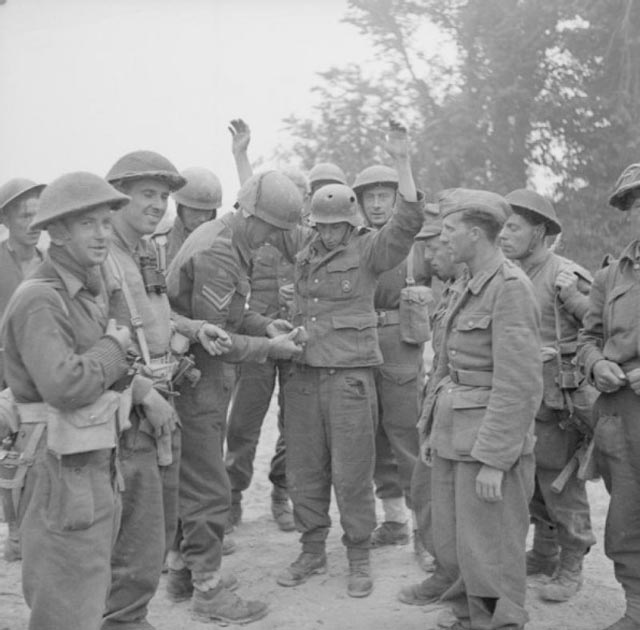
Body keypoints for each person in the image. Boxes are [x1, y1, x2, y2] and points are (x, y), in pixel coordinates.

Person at [276, 121, 425, 598]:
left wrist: (402, 161)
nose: (327, 234)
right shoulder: (302, 251)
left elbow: (406, 224)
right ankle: (312, 548)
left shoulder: (368, 250)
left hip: (349, 381)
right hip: (301, 377)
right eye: (320, 226)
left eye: (335, 225)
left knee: (353, 471)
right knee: (304, 468)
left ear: (351, 221)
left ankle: (358, 555)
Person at [165, 169, 305, 625]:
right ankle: (208, 591)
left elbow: (231, 312)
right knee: (208, 485)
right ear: (255, 217)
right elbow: (216, 336)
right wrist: (271, 348)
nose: (273, 240)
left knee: (192, 477)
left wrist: (264, 324)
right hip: (196, 380)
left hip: (196, 376)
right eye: (274, 230)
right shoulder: (221, 250)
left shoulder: (226, 235)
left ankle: (182, 573)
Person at [103, 150, 229, 630]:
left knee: (158, 526)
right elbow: (92, 341)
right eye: (147, 195)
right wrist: (142, 393)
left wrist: (195, 329)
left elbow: (157, 319)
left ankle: (130, 616)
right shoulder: (104, 258)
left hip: (160, 402)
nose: (158, 205)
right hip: (129, 410)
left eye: (163, 196)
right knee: (132, 533)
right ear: (118, 197)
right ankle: (120, 620)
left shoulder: (142, 250)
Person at [2, 171, 132, 630]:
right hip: (58, 471)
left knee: (86, 595)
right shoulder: (40, 298)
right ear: (56, 232)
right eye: (88, 224)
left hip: (88, 461)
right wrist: (114, 348)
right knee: (64, 605)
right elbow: (63, 385)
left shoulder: (85, 291)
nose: (102, 234)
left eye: (105, 222)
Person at [422, 188, 542, 630]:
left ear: (475, 233)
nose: (443, 238)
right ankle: (469, 612)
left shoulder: (510, 288)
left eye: (450, 230)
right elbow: (445, 365)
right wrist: (431, 432)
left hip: (489, 443)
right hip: (455, 434)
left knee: (492, 545)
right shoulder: (467, 284)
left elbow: (520, 383)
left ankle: (499, 622)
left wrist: (495, 460)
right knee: (459, 541)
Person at [500, 188, 596, 602]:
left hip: (558, 399)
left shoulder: (566, 274)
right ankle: (543, 554)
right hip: (522, 397)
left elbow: (602, 325)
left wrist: (573, 299)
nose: (503, 234)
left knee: (561, 484)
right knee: (533, 482)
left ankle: (571, 564)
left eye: (513, 227)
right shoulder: (510, 272)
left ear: (539, 231)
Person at [223, 119, 304, 533]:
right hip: (257, 338)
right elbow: (251, 200)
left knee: (293, 424)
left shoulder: (297, 238)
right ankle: (233, 495)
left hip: (290, 340)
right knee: (243, 423)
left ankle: (281, 492)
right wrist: (241, 157)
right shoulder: (250, 234)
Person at [352, 163, 432, 550]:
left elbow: (450, 283)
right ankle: (395, 521)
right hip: (364, 344)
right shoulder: (356, 242)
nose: (378, 204)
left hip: (401, 343)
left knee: (405, 437)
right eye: (371, 197)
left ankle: (424, 531)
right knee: (376, 436)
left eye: (385, 196)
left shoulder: (416, 245)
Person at [578, 163, 640, 630]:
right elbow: (587, 337)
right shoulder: (609, 277)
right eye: (635, 205)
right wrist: (597, 364)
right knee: (627, 517)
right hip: (621, 416)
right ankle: (637, 610)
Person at [398, 219, 464, 607]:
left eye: (436, 246)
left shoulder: (493, 287)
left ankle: (470, 589)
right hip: (442, 403)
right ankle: (445, 571)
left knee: (468, 503)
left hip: (472, 411)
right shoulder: (452, 289)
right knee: (428, 488)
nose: (427, 256)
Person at [0, 177, 45, 562]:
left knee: (31, 451)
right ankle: (14, 530)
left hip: (38, 375)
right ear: (5, 219)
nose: (31, 221)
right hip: (2, 372)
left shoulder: (50, 265)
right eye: (23, 213)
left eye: (37, 213)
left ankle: (27, 528)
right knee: (4, 453)